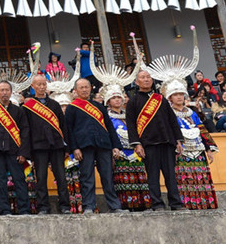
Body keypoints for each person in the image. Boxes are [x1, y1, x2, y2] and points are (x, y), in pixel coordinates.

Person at [65, 78, 126, 214]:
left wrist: (115, 146)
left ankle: (114, 205)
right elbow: (68, 130)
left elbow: (109, 126)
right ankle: (89, 206)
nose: (85, 89)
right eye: (81, 87)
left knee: (107, 176)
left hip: (103, 145)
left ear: (91, 88)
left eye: (86, 87)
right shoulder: (72, 107)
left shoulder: (99, 106)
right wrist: (74, 148)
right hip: (84, 146)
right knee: (87, 177)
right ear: (75, 90)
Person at [126, 69, 184, 211]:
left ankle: (175, 203)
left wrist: (178, 140)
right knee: (152, 176)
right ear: (136, 81)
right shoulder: (133, 101)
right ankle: (157, 204)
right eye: (142, 77)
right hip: (148, 144)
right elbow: (131, 124)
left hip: (167, 141)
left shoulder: (161, 98)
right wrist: (137, 144)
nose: (146, 79)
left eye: (148, 77)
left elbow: (172, 120)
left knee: (171, 175)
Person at [23, 73, 71, 214]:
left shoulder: (54, 104)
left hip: (56, 145)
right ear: (33, 87)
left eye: (44, 84)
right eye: (39, 84)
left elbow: (63, 126)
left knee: (61, 177)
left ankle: (65, 206)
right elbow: (27, 130)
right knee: (41, 178)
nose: (42, 87)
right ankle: (43, 207)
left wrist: (66, 146)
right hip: (38, 147)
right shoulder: (28, 106)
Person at [0, 80, 31, 215]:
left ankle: (24, 209)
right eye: (2, 90)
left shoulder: (18, 111)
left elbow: (25, 132)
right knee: (0, 182)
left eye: (7, 90)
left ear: (11, 92)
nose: (4, 93)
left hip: (15, 152)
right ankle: (4, 209)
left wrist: (23, 152)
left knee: (19, 180)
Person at [168, 88, 218, 210]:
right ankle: (187, 204)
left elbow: (202, 130)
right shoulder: (168, 113)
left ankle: (205, 203)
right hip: (181, 150)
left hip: (198, 149)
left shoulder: (192, 112)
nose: (179, 97)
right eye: (175, 95)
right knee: (185, 178)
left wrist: (208, 149)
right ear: (170, 98)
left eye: (181, 94)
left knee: (201, 177)